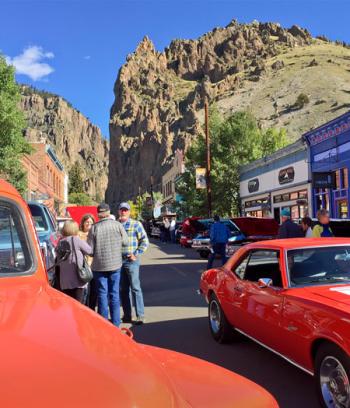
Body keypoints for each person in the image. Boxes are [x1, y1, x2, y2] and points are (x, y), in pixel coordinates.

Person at [87, 203, 128, 327]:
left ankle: (104, 324)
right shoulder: (117, 225)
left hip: (99, 266)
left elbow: (90, 250)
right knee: (114, 293)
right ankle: (116, 324)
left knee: (102, 294)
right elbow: (125, 242)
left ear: (98, 214)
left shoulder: (94, 228)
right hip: (115, 264)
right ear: (109, 212)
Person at [119, 202, 149, 325]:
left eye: (126, 210)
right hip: (118, 262)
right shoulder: (116, 225)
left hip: (131, 261)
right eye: (122, 210)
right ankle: (127, 315)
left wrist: (136, 254)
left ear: (129, 212)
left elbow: (144, 241)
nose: (124, 212)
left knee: (135, 288)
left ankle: (140, 315)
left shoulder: (136, 224)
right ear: (119, 211)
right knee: (123, 289)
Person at [59, 220, 93, 303]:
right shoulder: (76, 240)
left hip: (64, 281)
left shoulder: (60, 242)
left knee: (68, 305)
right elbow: (90, 251)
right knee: (78, 306)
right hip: (77, 279)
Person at [79, 214, 95, 306]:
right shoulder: (78, 234)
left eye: (91, 222)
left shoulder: (95, 234)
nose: (89, 223)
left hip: (94, 265)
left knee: (93, 290)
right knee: (84, 290)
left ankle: (91, 308)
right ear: (83, 223)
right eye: (87, 222)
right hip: (83, 266)